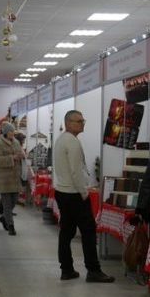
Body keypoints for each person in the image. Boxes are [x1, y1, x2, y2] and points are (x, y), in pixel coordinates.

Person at [52, 111, 114, 283]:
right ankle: (93, 270)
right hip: (74, 193)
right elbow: (76, 171)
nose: (82, 124)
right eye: (79, 121)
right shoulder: (72, 143)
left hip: (63, 192)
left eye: (83, 120)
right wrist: (84, 192)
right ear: (69, 123)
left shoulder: (61, 140)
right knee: (88, 232)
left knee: (66, 231)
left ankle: (66, 268)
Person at [0, 122, 24, 235]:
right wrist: (12, 158)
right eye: (11, 131)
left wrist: (21, 155)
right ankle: (11, 226)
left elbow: (20, 153)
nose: (13, 133)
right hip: (4, 179)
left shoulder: (16, 142)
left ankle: (4, 217)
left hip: (15, 178)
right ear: (6, 132)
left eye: (13, 131)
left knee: (14, 200)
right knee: (6, 204)